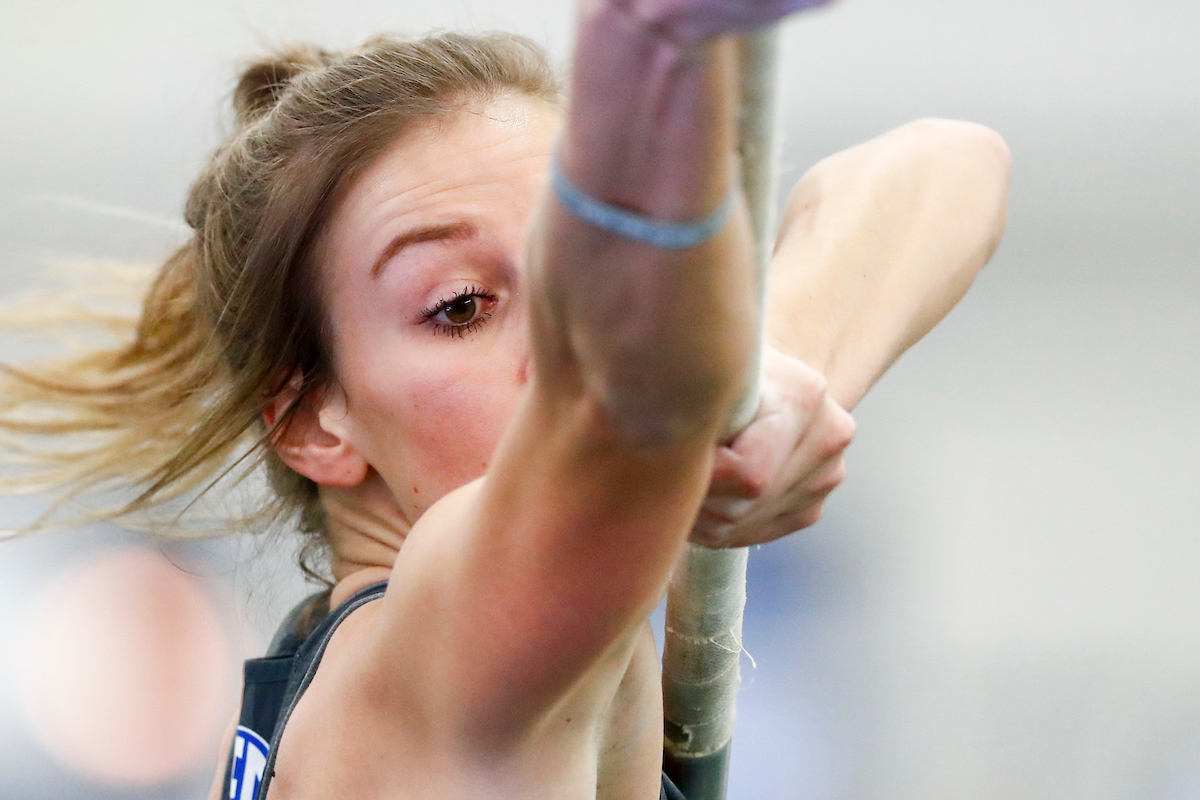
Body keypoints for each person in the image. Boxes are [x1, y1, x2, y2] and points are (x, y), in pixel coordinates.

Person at [0, 1, 1010, 798]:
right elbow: (610, 418)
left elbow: (955, 163)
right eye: (461, 307)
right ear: (313, 422)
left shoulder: (462, 667)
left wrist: (770, 373)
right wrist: (649, 57)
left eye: (571, 279)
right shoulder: (431, 643)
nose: (561, 341)